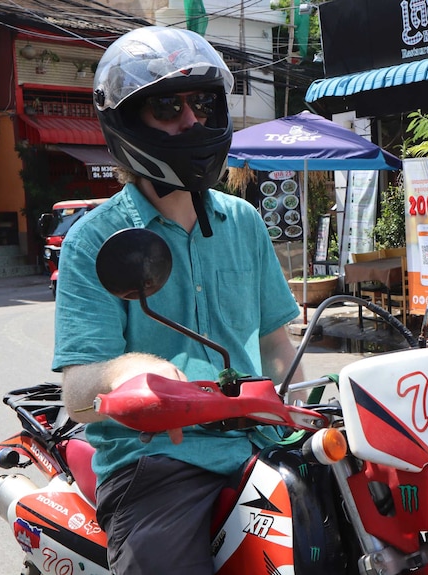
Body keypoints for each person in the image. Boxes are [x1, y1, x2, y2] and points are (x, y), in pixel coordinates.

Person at [52, 26, 303, 575]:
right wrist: (136, 372)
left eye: (204, 104)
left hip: (261, 441)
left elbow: (276, 347)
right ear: (127, 122)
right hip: (158, 461)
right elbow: (76, 394)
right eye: (168, 106)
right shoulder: (93, 240)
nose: (192, 121)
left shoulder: (244, 222)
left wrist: (316, 404)